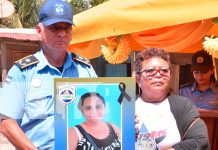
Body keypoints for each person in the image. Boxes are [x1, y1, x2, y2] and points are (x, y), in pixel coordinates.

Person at [0, 0, 97, 149]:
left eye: (67, 27)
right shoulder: (23, 72)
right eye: (55, 28)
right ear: (39, 30)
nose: (62, 33)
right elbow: (6, 122)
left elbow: (103, 109)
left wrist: (125, 119)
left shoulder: (85, 69)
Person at [134, 48, 210, 150]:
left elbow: (200, 139)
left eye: (164, 70)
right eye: (151, 70)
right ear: (138, 78)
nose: (158, 74)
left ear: (170, 75)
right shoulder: (125, 109)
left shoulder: (183, 106)